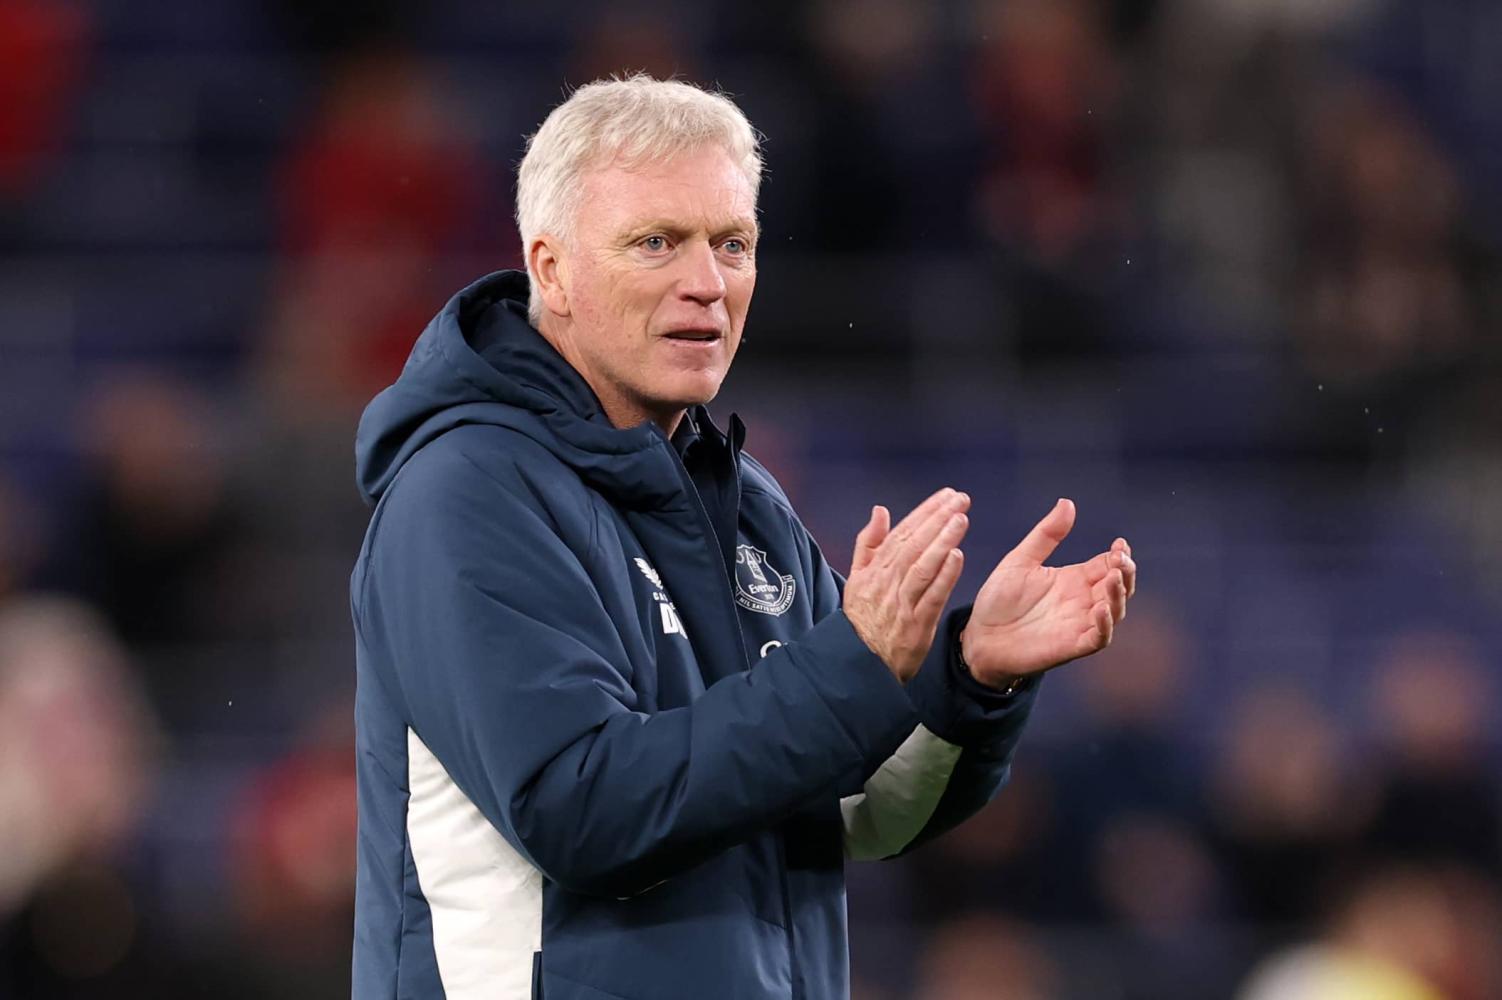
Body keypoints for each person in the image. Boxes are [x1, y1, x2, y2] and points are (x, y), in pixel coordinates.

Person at [350, 74, 1136, 1000]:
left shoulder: (747, 504)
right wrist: (852, 666)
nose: (707, 284)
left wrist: (968, 678)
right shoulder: (468, 490)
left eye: (733, 244)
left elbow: (858, 807)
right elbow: (582, 810)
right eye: (656, 243)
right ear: (551, 270)